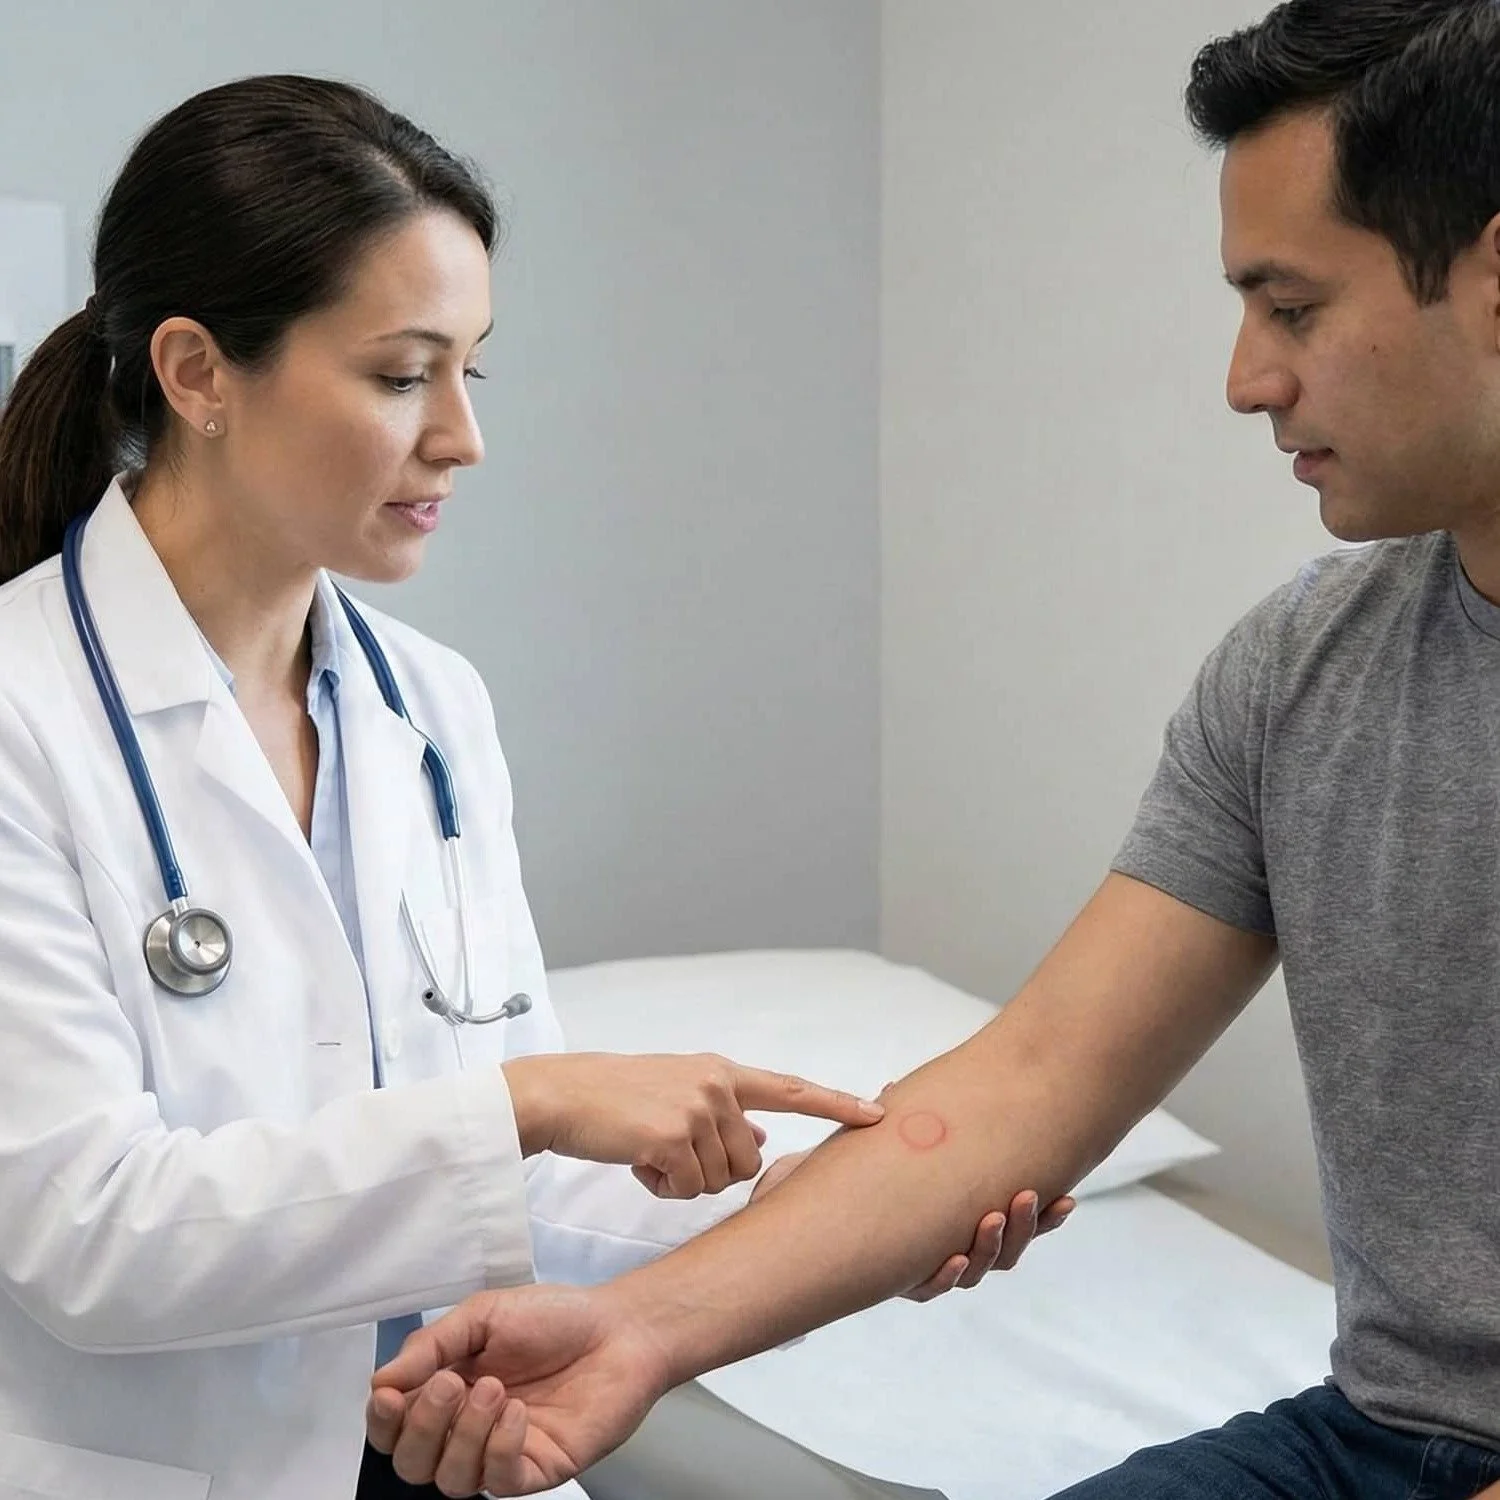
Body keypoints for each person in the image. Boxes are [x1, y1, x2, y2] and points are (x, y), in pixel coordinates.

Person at [365, 2, 1500, 1497]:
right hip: (1376, 1430)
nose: (1247, 378)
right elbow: (1033, 1077)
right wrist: (636, 1330)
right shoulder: (1303, 674)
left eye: (1291, 308)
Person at [0, 75, 1067, 1500]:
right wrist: (533, 1101)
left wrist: (822, 1219)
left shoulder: (428, 711)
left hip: (446, 1454)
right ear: (198, 374)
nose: (463, 436)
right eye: (400, 374)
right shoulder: (24, 712)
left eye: (470, 370)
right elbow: (92, 1240)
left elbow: (510, 1199)